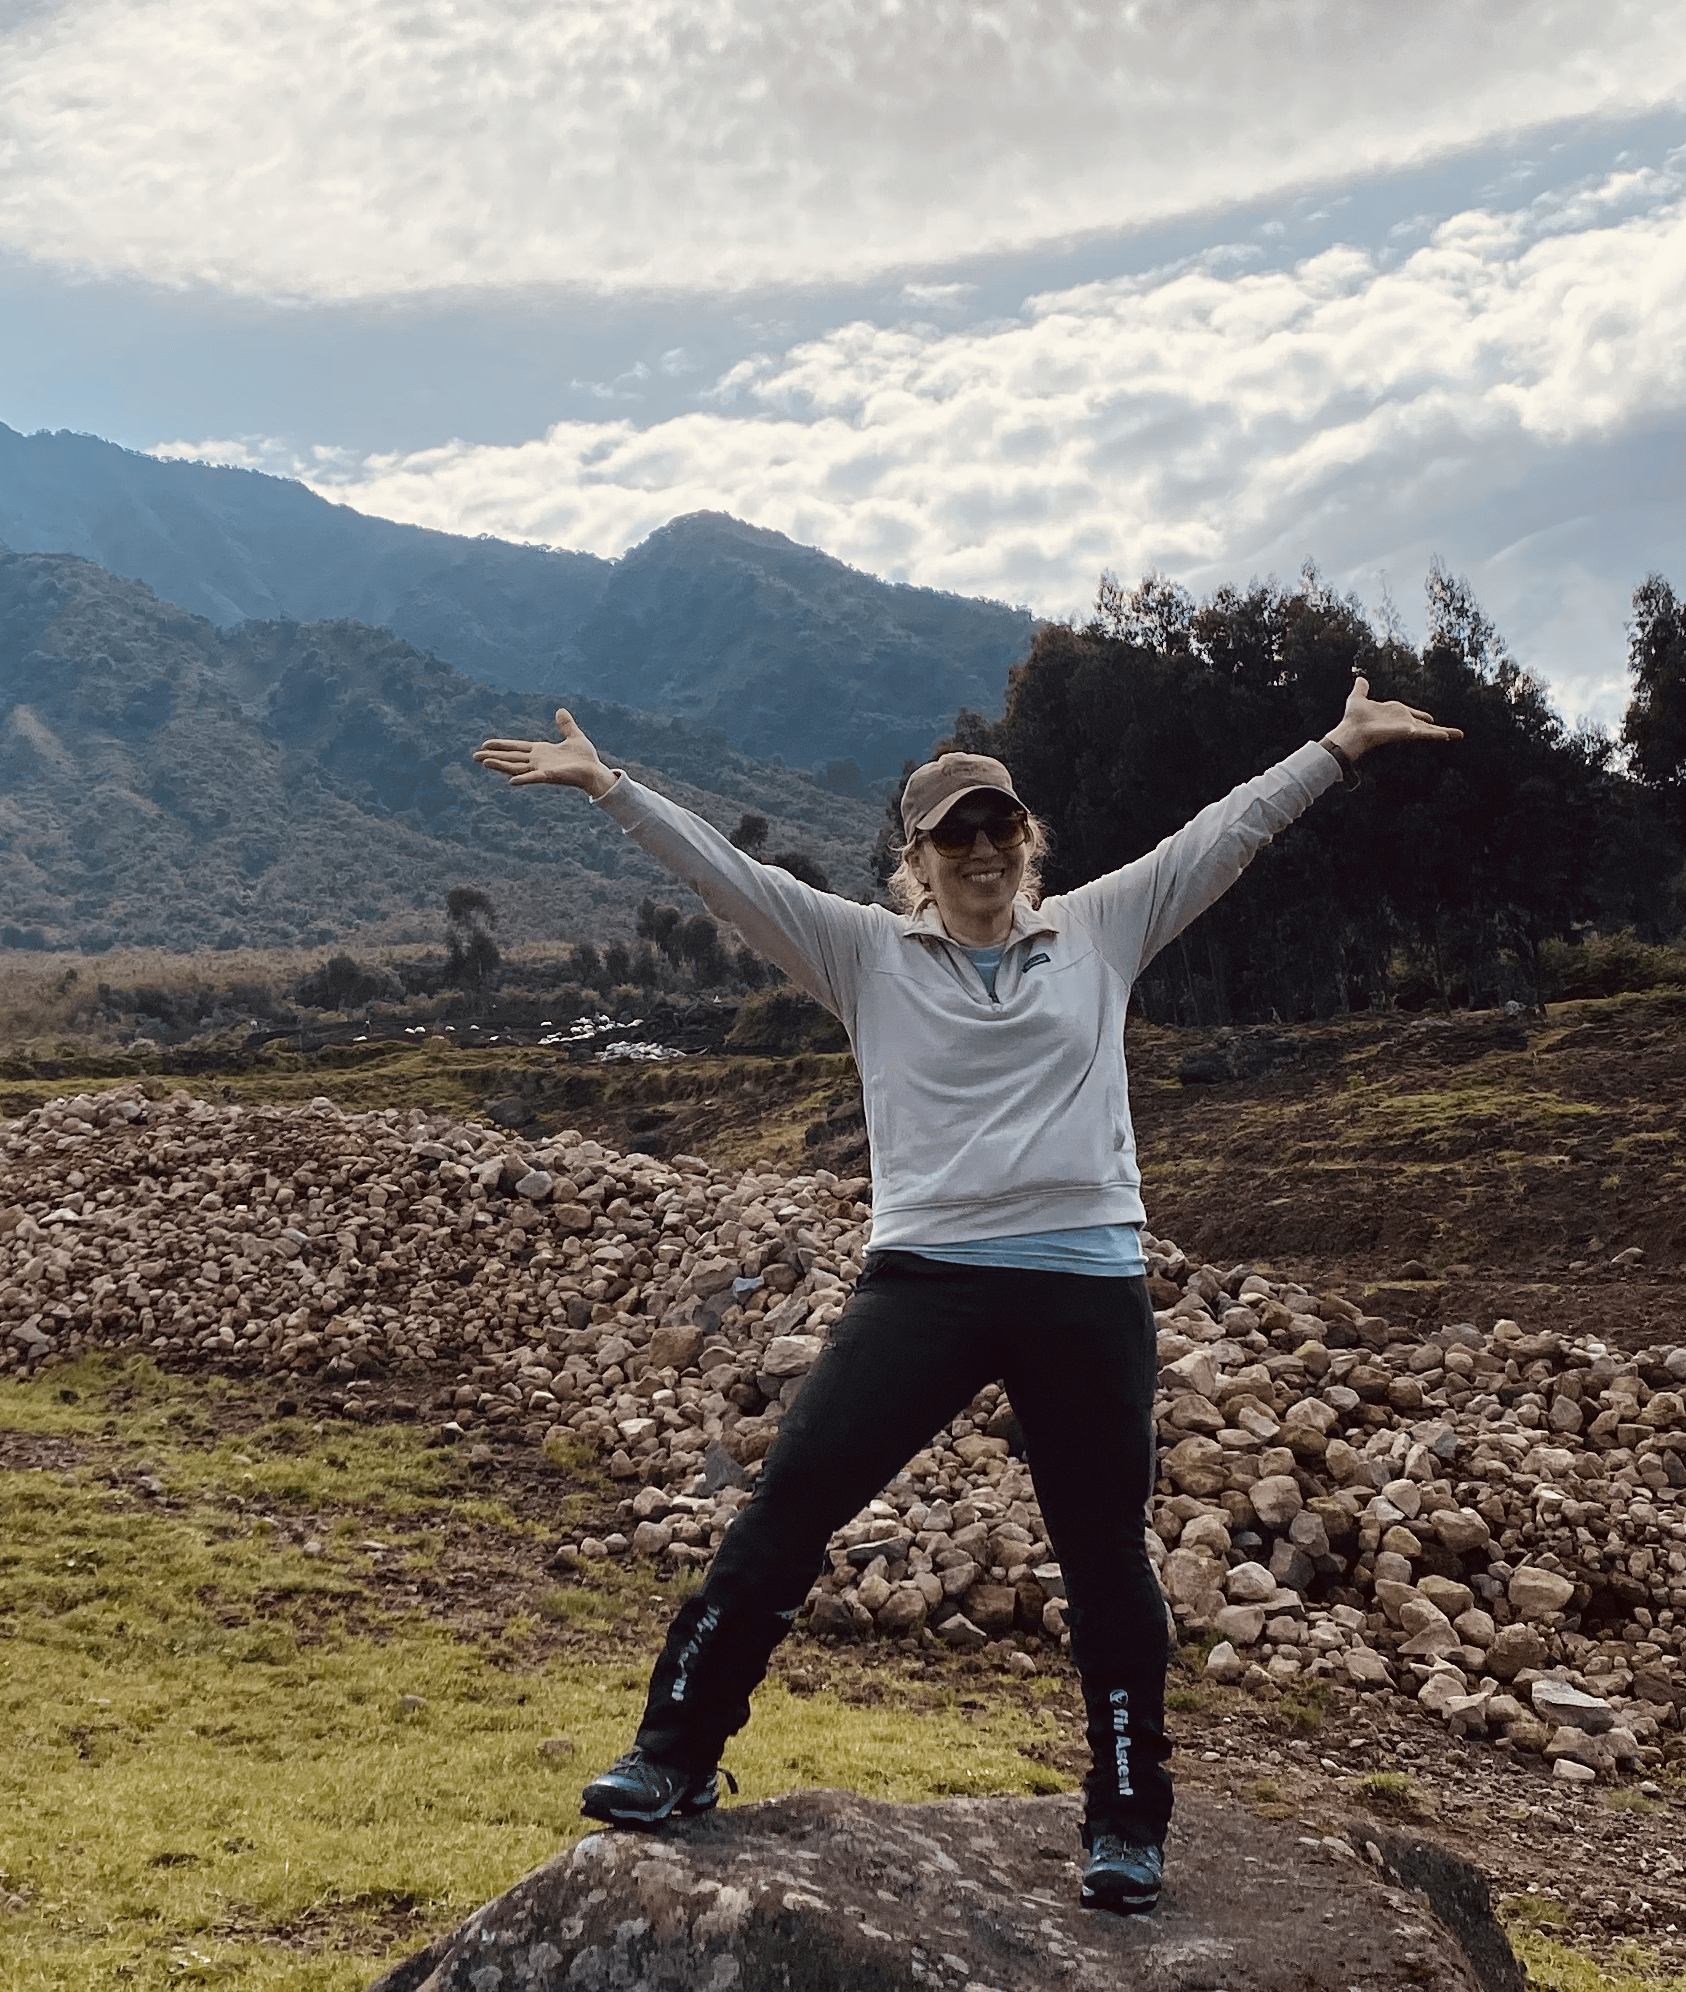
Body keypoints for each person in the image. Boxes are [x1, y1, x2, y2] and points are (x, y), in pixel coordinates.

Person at [472, 668, 1461, 1912]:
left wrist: (1338, 745)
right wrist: (612, 787)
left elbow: (1229, 833)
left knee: (1104, 1557)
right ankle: (672, 1755)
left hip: (1085, 1279)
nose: (984, 853)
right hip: (924, 1280)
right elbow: (727, 879)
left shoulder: (1100, 927)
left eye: (1001, 830)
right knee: (789, 1510)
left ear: (1026, 841)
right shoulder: (864, 955)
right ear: (917, 859)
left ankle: (1126, 1822)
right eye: (956, 838)